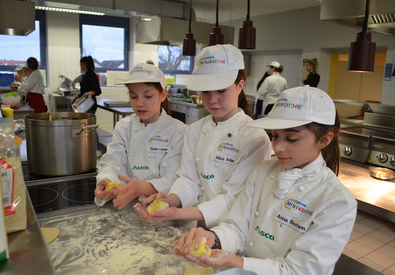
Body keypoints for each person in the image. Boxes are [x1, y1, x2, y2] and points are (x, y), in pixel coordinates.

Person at [175, 86, 357, 275]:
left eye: (292, 138)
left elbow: (300, 270)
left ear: (324, 140)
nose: (278, 147)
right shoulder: (262, 171)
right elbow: (237, 227)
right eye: (275, 136)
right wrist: (213, 237)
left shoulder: (337, 201)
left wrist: (238, 261)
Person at [134, 44, 272, 228]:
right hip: (197, 224)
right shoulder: (195, 130)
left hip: (232, 231)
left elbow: (235, 198)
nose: (212, 99)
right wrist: (171, 200)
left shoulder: (255, 138)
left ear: (240, 86)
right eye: (206, 91)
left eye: (221, 91)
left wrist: (180, 213)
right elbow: (189, 179)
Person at [94, 62, 186, 210]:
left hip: (162, 207)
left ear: (163, 95)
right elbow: (113, 162)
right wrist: (106, 180)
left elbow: (175, 179)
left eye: (148, 96)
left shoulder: (178, 131)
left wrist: (141, 187)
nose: (140, 103)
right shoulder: (124, 126)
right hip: (127, 205)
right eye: (133, 96)